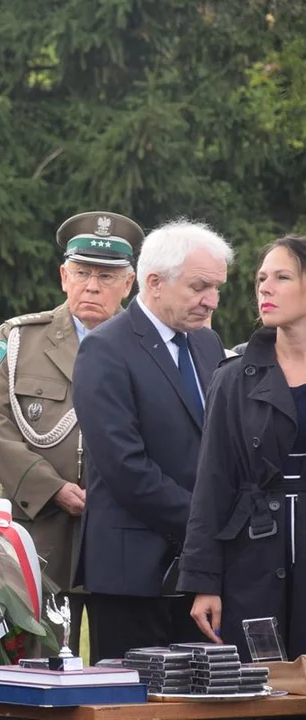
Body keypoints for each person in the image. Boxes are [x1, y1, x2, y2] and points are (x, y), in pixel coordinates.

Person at [0, 211, 140, 657]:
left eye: (107, 276)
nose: (92, 285)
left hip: (123, 531)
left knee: (124, 669)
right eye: (83, 272)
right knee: (38, 663)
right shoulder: (18, 340)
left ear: (129, 284)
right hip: (42, 531)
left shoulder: (148, 346)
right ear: (63, 276)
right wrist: (53, 489)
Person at [73, 219, 233, 662]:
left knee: (198, 698)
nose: (211, 301)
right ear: (155, 282)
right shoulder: (106, 348)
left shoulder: (207, 344)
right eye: (200, 286)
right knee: (132, 702)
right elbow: (125, 467)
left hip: (197, 570)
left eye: (217, 289)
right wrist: (205, 523)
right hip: (132, 573)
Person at [180, 235, 306, 660]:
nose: (265, 289)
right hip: (252, 558)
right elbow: (212, 483)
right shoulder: (234, 378)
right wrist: (204, 582)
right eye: (261, 279)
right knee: (258, 689)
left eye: (282, 277)